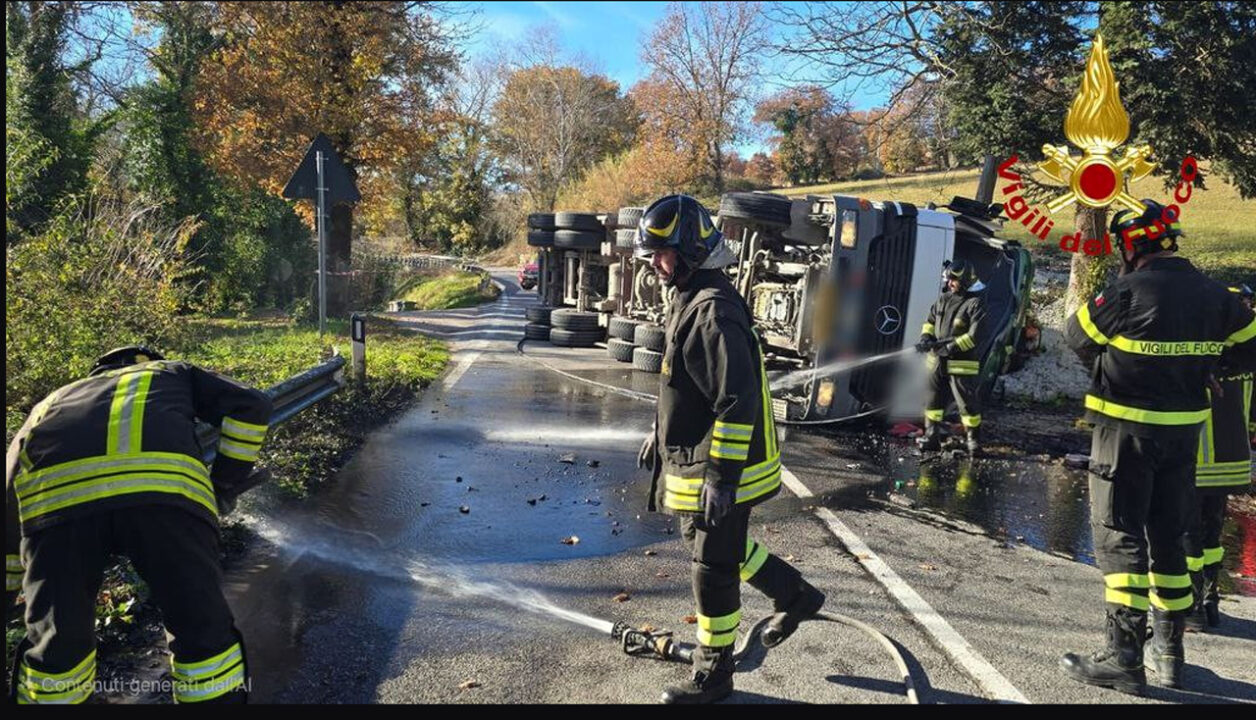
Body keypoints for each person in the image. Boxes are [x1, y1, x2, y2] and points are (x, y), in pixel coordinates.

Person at [635, 194, 824, 704]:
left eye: (663, 253)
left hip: (723, 468)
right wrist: (661, 429)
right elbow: (689, 384)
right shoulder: (690, 295)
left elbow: (735, 404)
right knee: (718, 550)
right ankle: (796, 595)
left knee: (712, 570)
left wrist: (721, 477)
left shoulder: (713, 311)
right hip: (700, 460)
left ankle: (713, 677)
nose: (655, 264)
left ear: (692, 248)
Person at [1059, 201, 1256, 693]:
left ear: (1131, 245)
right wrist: (1211, 366)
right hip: (1183, 436)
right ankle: (1169, 652)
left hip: (1124, 435)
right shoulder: (1218, 297)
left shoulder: (1126, 291)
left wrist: (1106, 366)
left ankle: (1123, 655)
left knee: (1120, 533)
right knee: (1170, 535)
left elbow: (1076, 334)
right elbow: (1251, 346)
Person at [6, 346, 272, 704]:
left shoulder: (50, 401)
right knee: (200, 631)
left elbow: (9, 489)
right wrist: (223, 484)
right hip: (165, 502)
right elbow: (251, 406)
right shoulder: (173, 372)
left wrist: (9, 590)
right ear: (146, 361)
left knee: (58, 645)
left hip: (57, 514)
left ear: (95, 372)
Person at [1184, 283, 1255, 631]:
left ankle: (1194, 603)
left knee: (1189, 532)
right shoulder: (1248, 353)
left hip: (1198, 459)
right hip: (1233, 458)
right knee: (1212, 530)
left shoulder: (1205, 351)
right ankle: (1210, 600)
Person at [916, 259, 990, 455]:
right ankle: (931, 436)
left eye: (954, 280)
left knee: (966, 404)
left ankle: (972, 441)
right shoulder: (943, 299)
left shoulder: (976, 304)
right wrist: (926, 337)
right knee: (932, 401)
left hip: (961, 364)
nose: (949, 283)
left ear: (965, 280)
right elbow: (930, 321)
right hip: (936, 363)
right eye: (948, 279)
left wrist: (949, 347)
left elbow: (975, 336)